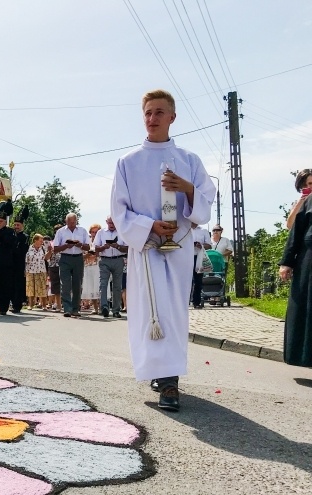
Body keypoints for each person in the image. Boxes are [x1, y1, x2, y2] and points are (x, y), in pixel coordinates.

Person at [110, 89, 215, 411]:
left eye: (158, 113)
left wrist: (187, 188)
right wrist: (149, 226)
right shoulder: (128, 162)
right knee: (147, 312)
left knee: (172, 311)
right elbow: (119, 209)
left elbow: (205, 207)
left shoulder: (189, 160)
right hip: (146, 249)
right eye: (147, 113)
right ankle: (158, 372)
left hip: (179, 249)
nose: (152, 119)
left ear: (172, 117)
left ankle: (170, 381)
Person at [279, 192, 312, 367]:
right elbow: (296, 231)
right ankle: (305, 357)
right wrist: (287, 262)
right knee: (307, 309)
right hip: (309, 260)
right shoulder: (310, 200)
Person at [52, 213, 90, 318]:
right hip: (65, 258)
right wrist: (65, 246)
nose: (72, 224)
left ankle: (75, 309)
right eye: (69, 222)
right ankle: (67, 309)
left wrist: (80, 245)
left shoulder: (82, 231)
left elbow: (88, 247)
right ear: (66, 221)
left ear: (76, 221)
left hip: (78, 258)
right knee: (65, 284)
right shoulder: (60, 231)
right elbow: (55, 249)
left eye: (73, 222)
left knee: (77, 284)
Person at [95, 216, 128, 318]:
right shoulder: (100, 232)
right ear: (106, 222)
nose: (112, 225)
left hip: (118, 259)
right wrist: (103, 247)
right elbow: (95, 248)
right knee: (103, 284)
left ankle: (116, 310)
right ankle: (104, 307)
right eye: (110, 223)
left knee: (117, 286)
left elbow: (127, 248)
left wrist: (117, 246)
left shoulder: (122, 231)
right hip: (105, 260)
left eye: (113, 223)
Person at [11, 208, 30, 313]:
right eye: (15, 225)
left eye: (18, 225)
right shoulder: (11, 235)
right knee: (11, 284)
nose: (16, 227)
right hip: (11, 263)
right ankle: (12, 302)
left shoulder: (25, 237)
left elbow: (23, 250)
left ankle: (17, 305)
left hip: (20, 263)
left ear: (22, 226)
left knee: (18, 284)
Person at [25, 234, 50, 310]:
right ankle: (30, 304)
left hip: (41, 270)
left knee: (42, 288)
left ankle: (44, 305)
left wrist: (50, 251)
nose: (42, 242)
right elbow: (26, 260)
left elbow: (47, 259)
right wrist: (25, 270)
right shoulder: (28, 248)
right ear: (35, 240)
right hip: (30, 270)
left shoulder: (43, 248)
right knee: (30, 288)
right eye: (40, 241)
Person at [81, 223, 102, 314]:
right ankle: (95, 308)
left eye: (96, 232)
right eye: (92, 232)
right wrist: (89, 254)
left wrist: (97, 254)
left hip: (98, 266)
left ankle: (102, 307)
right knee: (91, 287)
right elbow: (82, 256)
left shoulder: (101, 241)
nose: (94, 234)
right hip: (88, 266)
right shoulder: (87, 242)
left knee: (99, 287)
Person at [191, 222, 212, 309]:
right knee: (186, 280)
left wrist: (201, 245)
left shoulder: (203, 231)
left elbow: (209, 245)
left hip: (199, 257)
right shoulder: (184, 229)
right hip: (186, 257)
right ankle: (183, 302)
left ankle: (196, 302)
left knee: (198, 281)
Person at [46, 226, 62, 312]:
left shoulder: (66, 242)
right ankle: (58, 305)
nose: (57, 233)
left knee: (66, 285)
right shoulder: (50, 243)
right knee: (55, 286)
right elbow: (46, 258)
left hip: (65, 265)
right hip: (53, 266)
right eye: (56, 232)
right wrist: (49, 251)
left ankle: (67, 304)